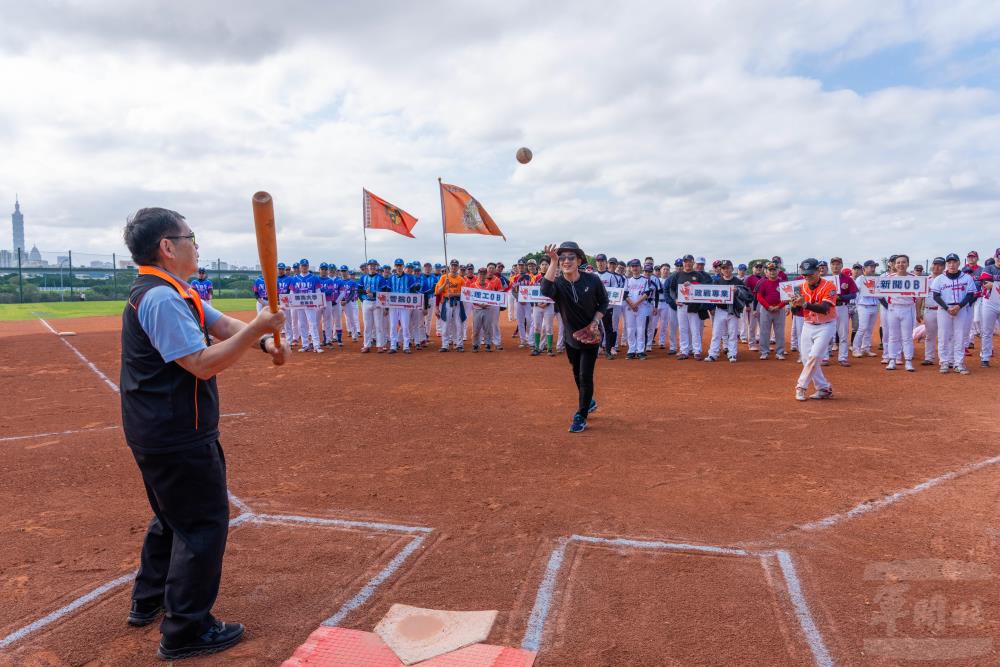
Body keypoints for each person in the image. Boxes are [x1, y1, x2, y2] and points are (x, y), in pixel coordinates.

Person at [120, 207, 288, 660]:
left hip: (159, 428)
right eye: (190, 237)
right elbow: (200, 362)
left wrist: (265, 341)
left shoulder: (176, 290)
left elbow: (221, 325)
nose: (196, 244)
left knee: (172, 515)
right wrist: (260, 326)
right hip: (177, 432)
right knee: (201, 523)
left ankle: (149, 597)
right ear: (167, 248)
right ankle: (186, 629)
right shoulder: (161, 298)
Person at [539, 242, 608, 433]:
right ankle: (589, 401)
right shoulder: (559, 284)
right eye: (563, 258)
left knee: (585, 375)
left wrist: (594, 323)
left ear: (579, 260)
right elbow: (545, 289)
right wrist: (553, 260)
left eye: (571, 257)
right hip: (571, 338)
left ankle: (581, 415)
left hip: (591, 337)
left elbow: (603, 303)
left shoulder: (592, 280)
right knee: (577, 373)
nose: (566, 261)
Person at [789, 258, 837, 401]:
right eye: (804, 274)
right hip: (808, 324)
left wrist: (804, 304)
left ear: (818, 271)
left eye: (810, 273)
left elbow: (824, 309)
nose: (807, 277)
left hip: (826, 325)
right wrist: (794, 304)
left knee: (815, 356)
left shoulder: (830, 286)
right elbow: (795, 309)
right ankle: (823, 388)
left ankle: (800, 386)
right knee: (806, 359)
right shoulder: (800, 287)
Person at [931, 253, 978, 374]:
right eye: (949, 262)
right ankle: (944, 362)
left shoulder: (967, 278)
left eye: (954, 262)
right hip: (943, 310)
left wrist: (959, 306)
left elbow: (970, 294)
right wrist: (947, 308)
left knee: (960, 336)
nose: (952, 264)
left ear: (959, 263)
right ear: (947, 264)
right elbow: (936, 296)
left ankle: (958, 363)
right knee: (943, 336)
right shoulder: (939, 279)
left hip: (960, 309)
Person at [670, 254, 712, 360]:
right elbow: (672, 289)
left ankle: (696, 350)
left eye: (690, 261)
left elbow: (704, 287)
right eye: (686, 261)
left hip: (694, 306)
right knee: (683, 328)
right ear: (683, 263)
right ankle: (684, 350)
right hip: (681, 305)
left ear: (693, 263)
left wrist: (693, 284)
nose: (687, 263)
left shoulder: (698, 275)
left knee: (695, 329)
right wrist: (675, 299)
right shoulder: (677, 275)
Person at [706, 260, 749, 363]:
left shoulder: (738, 282)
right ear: (721, 270)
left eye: (728, 267)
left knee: (733, 333)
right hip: (720, 310)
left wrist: (737, 291)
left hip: (733, 310)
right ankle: (713, 354)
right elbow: (711, 296)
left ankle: (732, 354)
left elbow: (747, 295)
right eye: (723, 268)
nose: (726, 270)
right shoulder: (717, 281)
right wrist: (711, 307)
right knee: (716, 333)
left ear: (732, 268)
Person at [882, 254, 917, 372]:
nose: (901, 264)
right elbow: (879, 292)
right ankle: (892, 360)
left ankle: (908, 361)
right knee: (893, 336)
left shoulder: (914, 278)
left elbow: (921, 294)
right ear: (894, 265)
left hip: (908, 308)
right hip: (893, 308)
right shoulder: (888, 278)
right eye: (898, 262)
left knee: (907, 337)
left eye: (903, 262)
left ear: (908, 264)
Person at [288, 259, 323, 353]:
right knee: (302, 324)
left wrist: (319, 303)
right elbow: (291, 292)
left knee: (313, 324)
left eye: (305, 265)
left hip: (310, 304)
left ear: (308, 266)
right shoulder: (295, 278)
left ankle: (316, 345)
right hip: (299, 304)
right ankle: (305, 345)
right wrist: (291, 303)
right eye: (302, 266)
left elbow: (318, 291)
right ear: (300, 267)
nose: (304, 267)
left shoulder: (314, 278)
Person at [622, 259, 654, 359]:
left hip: (641, 307)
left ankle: (640, 350)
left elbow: (647, 294)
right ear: (630, 268)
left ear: (640, 267)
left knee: (641, 329)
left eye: (636, 266)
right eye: (633, 266)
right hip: (629, 308)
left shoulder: (645, 280)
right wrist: (632, 305)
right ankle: (631, 350)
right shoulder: (627, 280)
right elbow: (625, 294)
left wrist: (636, 304)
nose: (635, 268)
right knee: (630, 329)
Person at [595, 254, 625, 359]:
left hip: (607, 307)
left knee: (608, 329)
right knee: (595, 329)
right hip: (594, 307)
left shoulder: (611, 276)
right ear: (596, 262)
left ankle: (608, 350)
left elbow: (615, 291)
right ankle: (595, 349)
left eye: (602, 261)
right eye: (598, 261)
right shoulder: (592, 275)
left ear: (605, 262)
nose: (600, 262)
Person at [830, 257, 858, 367]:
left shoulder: (847, 279)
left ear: (841, 266)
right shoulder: (825, 279)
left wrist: (841, 297)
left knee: (843, 334)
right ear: (830, 266)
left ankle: (842, 357)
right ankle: (825, 357)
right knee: (827, 334)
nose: (836, 266)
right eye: (833, 264)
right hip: (828, 307)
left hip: (842, 307)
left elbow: (853, 294)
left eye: (838, 264)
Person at [755, 262, 785, 360]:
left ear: (778, 271)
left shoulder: (782, 283)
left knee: (779, 332)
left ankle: (780, 352)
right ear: (767, 272)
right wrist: (768, 306)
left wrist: (779, 306)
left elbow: (787, 297)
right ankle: (764, 352)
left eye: (774, 270)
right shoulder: (763, 282)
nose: (772, 272)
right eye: (770, 270)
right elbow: (759, 296)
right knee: (764, 331)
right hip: (766, 310)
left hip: (779, 310)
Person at [435, 259, 466, 351]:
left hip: (457, 302)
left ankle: (459, 344)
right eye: (452, 265)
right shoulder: (444, 277)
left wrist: (454, 294)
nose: (453, 267)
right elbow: (438, 291)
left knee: (458, 324)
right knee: (445, 324)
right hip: (447, 302)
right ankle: (445, 345)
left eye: (455, 265)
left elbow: (465, 294)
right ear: (450, 266)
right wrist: (445, 284)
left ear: (458, 267)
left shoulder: (461, 279)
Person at [851, 260, 880, 358]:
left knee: (869, 329)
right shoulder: (860, 279)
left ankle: (866, 349)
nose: (873, 269)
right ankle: (855, 349)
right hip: (863, 306)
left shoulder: (876, 278)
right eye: (871, 267)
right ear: (864, 269)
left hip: (874, 306)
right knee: (862, 328)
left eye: (874, 267)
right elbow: (861, 290)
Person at [920, 257, 945, 365]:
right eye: (935, 264)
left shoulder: (946, 279)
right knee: (930, 335)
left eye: (939, 264)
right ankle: (929, 357)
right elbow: (920, 297)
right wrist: (918, 311)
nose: (936, 266)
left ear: (944, 267)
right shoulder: (926, 280)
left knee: (945, 335)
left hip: (944, 310)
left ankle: (945, 359)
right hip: (929, 310)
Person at [530, 258, 556, 356]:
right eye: (543, 264)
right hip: (537, 306)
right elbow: (530, 292)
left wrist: (547, 303)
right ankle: (537, 348)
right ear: (539, 266)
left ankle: (549, 349)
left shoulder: (553, 278)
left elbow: (554, 292)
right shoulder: (534, 278)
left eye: (546, 264)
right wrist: (537, 303)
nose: (544, 266)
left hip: (549, 305)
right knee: (537, 327)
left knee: (548, 327)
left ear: (549, 266)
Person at [979, 248, 1000, 367]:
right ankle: (985, 357)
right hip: (989, 302)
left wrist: (995, 285)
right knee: (987, 331)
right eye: (998, 256)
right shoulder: (989, 268)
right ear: (995, 256)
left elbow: (992, 285)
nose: (999, 259)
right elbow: (986, 285)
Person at [358, 259, 381, 353]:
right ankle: (366, 345)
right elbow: (359, 290)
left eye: (374, 265)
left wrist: (374, 294)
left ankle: (380, 345)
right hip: (366, 302)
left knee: (379, 325)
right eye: (370, 265)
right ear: (367, 267)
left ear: (376, 267)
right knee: (367, 325)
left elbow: (385, 291)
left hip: (377, 302)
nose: (372, 267)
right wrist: (365, 293)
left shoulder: (380, 278)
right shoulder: (363, 278)